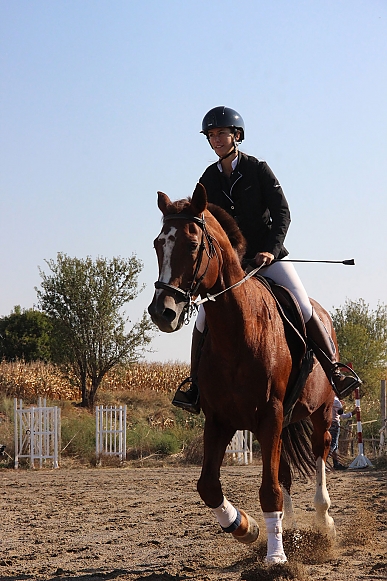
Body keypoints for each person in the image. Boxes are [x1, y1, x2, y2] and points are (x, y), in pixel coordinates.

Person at [172, 106, 361, 414]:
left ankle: (335, 372)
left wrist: (272, 249)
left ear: (236, 136)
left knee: (302, 305)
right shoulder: (207, 179)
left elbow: (282, 213)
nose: (216, 139)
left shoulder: (257, 169)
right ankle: (195, 386)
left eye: (221, 133)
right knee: (205, 317)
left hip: (268, 257)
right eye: (211, 135)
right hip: (233, 267)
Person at [329, 396, 358, 470]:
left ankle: (336, 464)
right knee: (333, 445)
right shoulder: (336, 401)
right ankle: (323, 462)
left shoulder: (328, 399)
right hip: (335, 424)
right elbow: (343, 416)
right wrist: (353, 412)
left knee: (335, 446)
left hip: (328, 424)